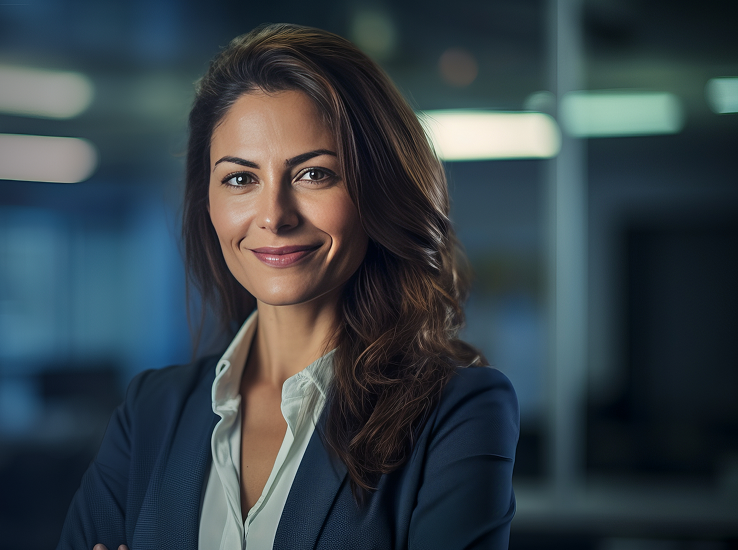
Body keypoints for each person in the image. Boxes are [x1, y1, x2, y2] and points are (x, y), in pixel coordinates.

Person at [56, 23, 519, 550]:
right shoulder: (150, 411)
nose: (273, 215)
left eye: (314, 174)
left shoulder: (456, 412)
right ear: (207, 202)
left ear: (376, 189)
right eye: (240, 178)